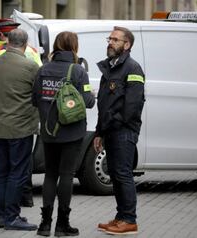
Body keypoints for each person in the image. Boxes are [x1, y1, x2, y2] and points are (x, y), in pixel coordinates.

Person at [32, 31, 96, 236]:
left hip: (49, 131)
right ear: (74, 47)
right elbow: (87, 102)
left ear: (56, 46)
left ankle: (44, 224)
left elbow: (34, 100)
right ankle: (62, 225)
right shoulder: (78, 72)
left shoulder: (43, 70)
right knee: (66, 175)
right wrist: (92, 96)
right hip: (72, 133)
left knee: (50, 175)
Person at [0, 20, 42, 210]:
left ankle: (1, 212)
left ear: (6, 39)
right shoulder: (33, 58)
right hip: (20, 125)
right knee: (19, 169)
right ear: (24, 43)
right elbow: (38, 90)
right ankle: (14, 211)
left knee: (1, 172)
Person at [94, 26, 145, 235]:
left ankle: (129, 220)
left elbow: (131, 107)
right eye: (110, 38)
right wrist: (99, 132)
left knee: (123, 174)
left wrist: (112, 125)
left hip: (124, 131)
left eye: (115, 40)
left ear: (127, 45)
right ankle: (121, 216)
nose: (110, 42)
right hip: (110, 130)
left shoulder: (133, 68)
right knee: (115, 174)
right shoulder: (110, 68)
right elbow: (104, 103)